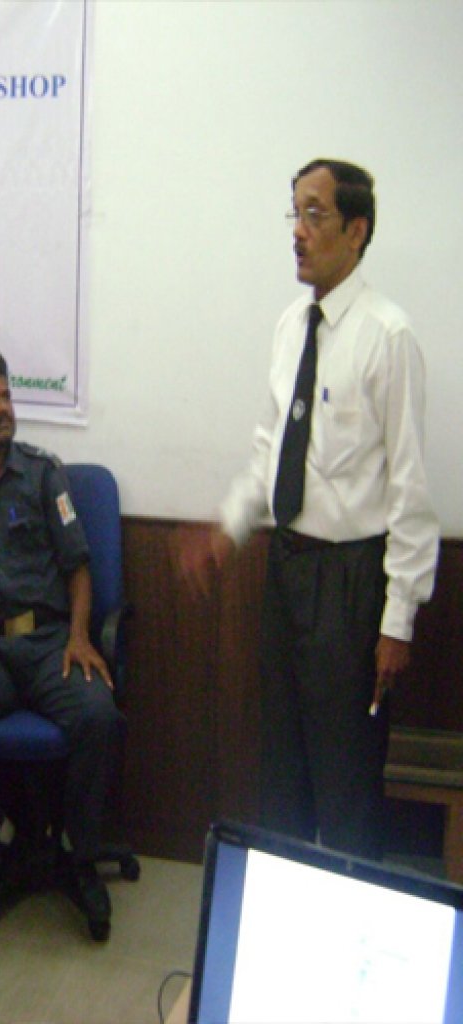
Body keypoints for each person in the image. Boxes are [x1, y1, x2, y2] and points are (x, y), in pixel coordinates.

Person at [177, 159, 439, 859]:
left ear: (356, 231)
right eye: (294, 212)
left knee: (346, 783)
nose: (298, 231)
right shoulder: (292, 326)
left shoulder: (388, 336)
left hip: (352, 581)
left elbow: (410, 490)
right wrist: (229, 530)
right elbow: (271, 450)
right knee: (282, 773)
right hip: (288, 571)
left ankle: (353, 918)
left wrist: (398, 622)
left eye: (315, 214)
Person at [0, 348, 123, 930]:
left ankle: (80, 854)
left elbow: (78, 565)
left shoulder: (42, 474)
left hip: (48, 641)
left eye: (7, 396)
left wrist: (81, 634)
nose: (3, 409)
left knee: (98, 714)